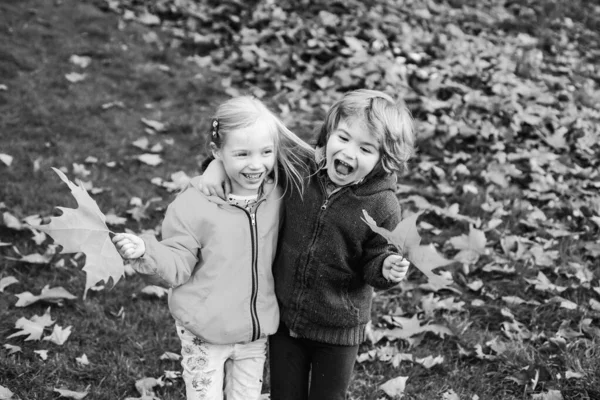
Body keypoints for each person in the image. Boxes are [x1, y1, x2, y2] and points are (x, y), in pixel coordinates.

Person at [198, 89, 415, 400]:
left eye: (366, 148)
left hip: (338, 328)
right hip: (286, 317)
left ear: (384, 160)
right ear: (328, 133)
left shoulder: (383, 205)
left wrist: (385, 267)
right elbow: (254, 159)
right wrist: (215, 166)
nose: (349, 153)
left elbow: (376, 258)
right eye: (343, 138)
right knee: (285, 394)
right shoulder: (303, 169)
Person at [111, 96, 314, 400]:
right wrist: (146, 251)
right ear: (217, 151)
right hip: (205, 333)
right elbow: (178, 261)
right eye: (242, 153)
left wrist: (227, 164)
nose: (256, 164)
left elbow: (312, 159)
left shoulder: (278, 192)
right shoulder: (193, 205)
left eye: (266, 152)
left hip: (254, 332)